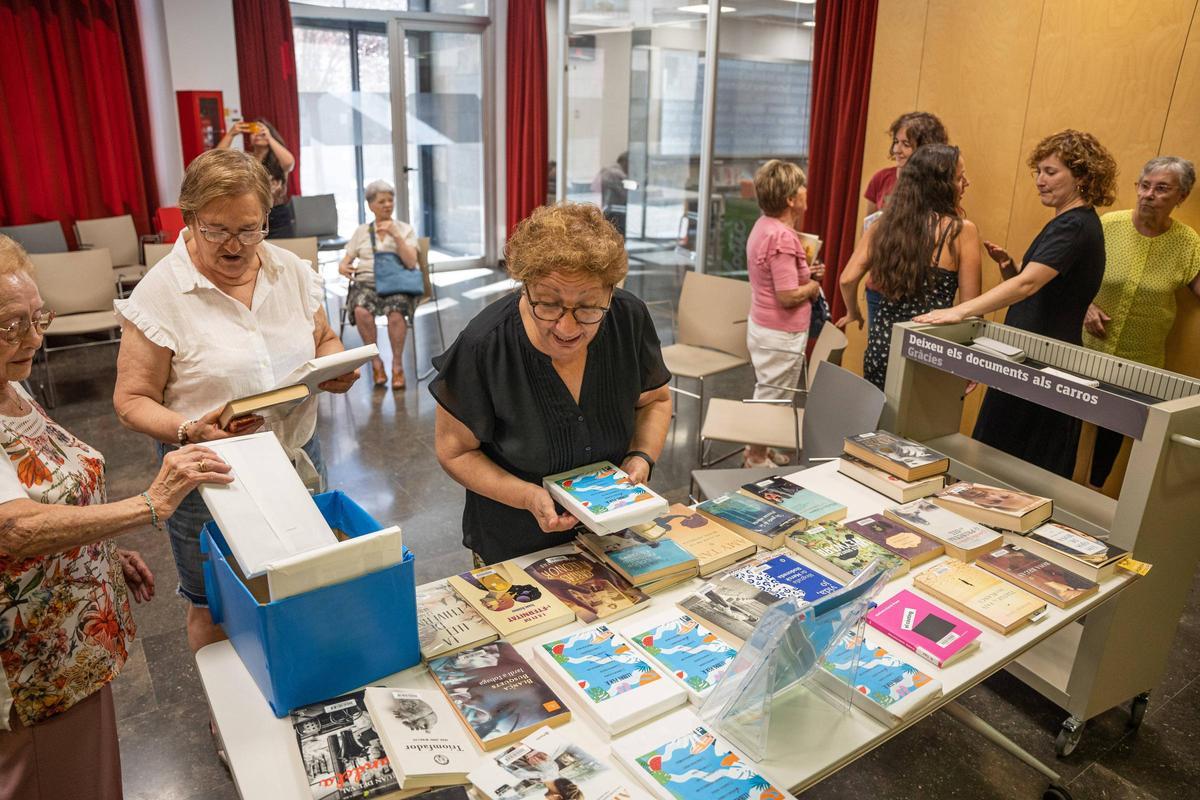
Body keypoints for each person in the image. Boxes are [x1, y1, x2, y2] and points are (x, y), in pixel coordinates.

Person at [0, 235, 234, 800]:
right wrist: (148, 504)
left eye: (38, 318)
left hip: (67, 644)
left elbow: (46, 490)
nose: (33, 338)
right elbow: (11, 528)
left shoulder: (12, 386)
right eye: (10, 326)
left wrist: (97, 551)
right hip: (30, 661)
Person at [112, 148, 359, 654]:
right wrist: (187, 430)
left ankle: (294, 683)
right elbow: (131, 400)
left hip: (294, 453)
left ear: (267, 218)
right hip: (208, 471)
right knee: (215, 603)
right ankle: (228, 722)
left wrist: (334, 365)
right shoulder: (162, 293)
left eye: (250, 229)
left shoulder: (288, 269)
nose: (236, 245)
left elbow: (323, 338)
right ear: (191, 219)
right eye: (218, 230)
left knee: (300, 576)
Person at [431, 203, 671, 564]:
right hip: (514, 545)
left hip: (612, 537)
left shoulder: (628, 318)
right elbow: (455, 451)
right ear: (525, 287)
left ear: (610, 292)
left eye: (589, 307)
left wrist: (641, 458)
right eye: (549, 304)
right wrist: (528, 497)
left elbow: (655, 400)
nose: (567, 328)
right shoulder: (485, 345)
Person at [915, 129, 1118, 478]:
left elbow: (1028, 285)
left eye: (1051, 172)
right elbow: (1038, 284)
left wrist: (960, 309)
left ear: (1082, 176)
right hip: (1030, 357)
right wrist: (1010, 268)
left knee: (1016, 468)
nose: (1040, 180)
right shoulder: (1070, 222)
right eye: (1037, 171)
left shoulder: (1074, 224)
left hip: (1044, 364)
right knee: (997, 458)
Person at [1082, 156, 1200, 486]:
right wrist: (1086, 305)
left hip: (1140, 363)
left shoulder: (1187, 242)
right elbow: (1071, 278)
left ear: (1182, 196)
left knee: (1111, 438)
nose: (1148, 194)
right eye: (1144, 186)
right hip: (1085, 349)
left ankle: (1092, 496)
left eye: (1161, 189)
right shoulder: (1108, 225)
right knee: (1066, 425)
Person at [837, 144, 981, 389]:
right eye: (959, 177)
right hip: (929, 349)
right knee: (920, 426)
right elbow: (971, 310)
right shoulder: (961, 231)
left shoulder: (884, 225)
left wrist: (853, 312)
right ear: (940, 184)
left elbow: (847, 279)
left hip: (882, 346)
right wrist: (971, 362)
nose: (966, 183)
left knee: (879, 422)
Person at [743, 160, 823, 468]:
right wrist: (813, 287)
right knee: (772, 395)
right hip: (779, 331)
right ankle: (756, 456)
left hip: (764, 325)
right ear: (790, 198)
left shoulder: (764, 226)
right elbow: (788, 295)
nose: (806, 191)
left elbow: (778, 277)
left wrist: (806, 273)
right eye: (801, 187)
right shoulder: (782, 237)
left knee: (770, 389)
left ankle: (761, 444)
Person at [862, 112, 951, 327]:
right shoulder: (881, 178)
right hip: (880, 285)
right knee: (880, 349)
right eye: (895, 142)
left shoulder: (938, 187)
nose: (896, 150)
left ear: (925, 148)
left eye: (905, 144)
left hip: (917, 288)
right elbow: (867, 231)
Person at [338, 180, 421, 390]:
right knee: (361, 311)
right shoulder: (362, 231)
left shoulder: (405, 229)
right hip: (366, 283)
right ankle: (376, 363)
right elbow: (345, 262)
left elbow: (411, 262)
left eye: (390, 200)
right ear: (370, 205)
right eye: (382, 201)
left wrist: (395, 235)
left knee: (396, 314)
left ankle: (397, 365)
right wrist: (343, 267)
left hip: (396, 284)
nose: (387, 205)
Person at [217, 118, 296, 238]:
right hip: (250, 215)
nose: (258, 135)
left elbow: (289, 162)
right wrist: (231, 134)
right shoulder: (245, 160)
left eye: (262, 132)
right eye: (254, 132)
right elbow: (217, 158)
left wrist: (269, 137)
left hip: (277, 215)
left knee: (281, 253)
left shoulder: (278, 160)